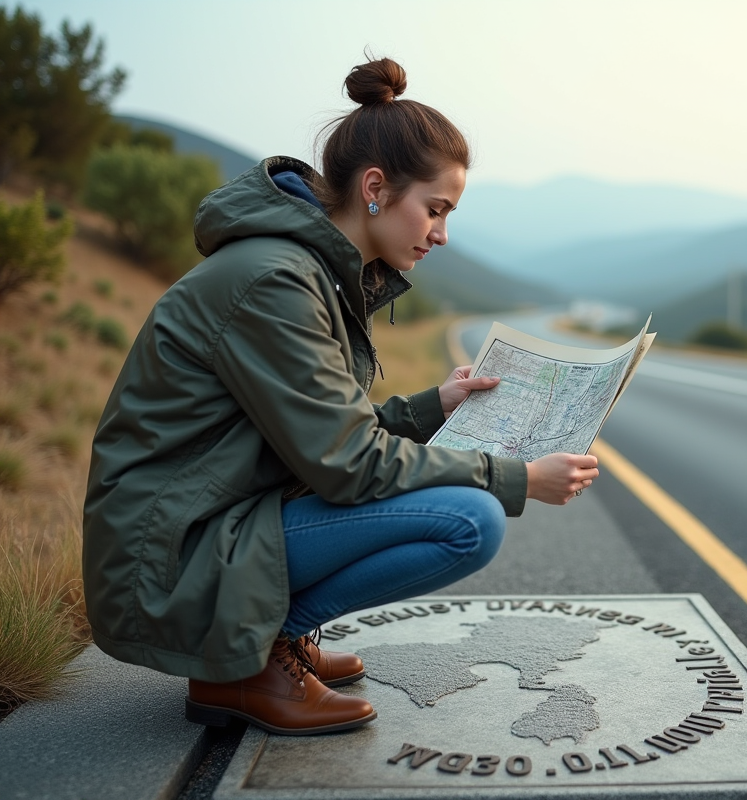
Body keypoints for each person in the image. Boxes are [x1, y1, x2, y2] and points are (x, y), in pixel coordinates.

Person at [81, 57, 600, 736]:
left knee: (467, 508)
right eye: (436, 209)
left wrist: (430, 408)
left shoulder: (305, 271)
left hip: (214, 516)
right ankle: (246, 660)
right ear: (377, 188)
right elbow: (348, 462)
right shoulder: (275, 281)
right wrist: (519, 478)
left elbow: (319, 434)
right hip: (171, 551)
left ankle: (269, 641)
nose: (441, 234)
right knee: (472, 519)